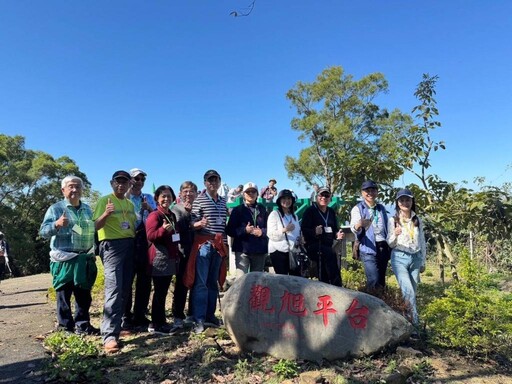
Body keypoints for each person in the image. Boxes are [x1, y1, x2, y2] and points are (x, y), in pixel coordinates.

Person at [39, 176, 99, 335]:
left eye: (78, 186)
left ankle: (83, 325)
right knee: (64, 293)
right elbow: (43, 232)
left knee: (84, 294)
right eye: (71, 186)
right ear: (63, 190)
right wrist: (56, 224)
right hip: (64, 259)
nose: (75, 190)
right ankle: (65, 327)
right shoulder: (55, 209)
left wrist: (92, 251)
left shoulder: (86, 208)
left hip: (84, 257)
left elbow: (88, 231)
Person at [93, 170, 137, 354]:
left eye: (124, 182)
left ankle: (118, 327)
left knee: (125, 287)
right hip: (111, 246)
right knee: (114, 288)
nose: (121, 185)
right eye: (118, 181)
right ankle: (109, 335)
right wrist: (105, 214)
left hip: (129, 244)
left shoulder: (129, 203)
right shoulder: (105, 201)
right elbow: (94, 226)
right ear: (112, 183)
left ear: (129, 184)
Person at [183, 169, 228, 334]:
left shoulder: (223, 201)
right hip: (204, 245)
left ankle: (210, 316)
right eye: (210, 180)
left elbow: (223, 225)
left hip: (219, 245)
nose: (213, 183)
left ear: (219, 182)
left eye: (215, 180)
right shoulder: (199, 200)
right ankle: (199, 319)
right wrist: (198, 224)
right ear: (205, 183)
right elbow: (191, 224)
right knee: (200, 283)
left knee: (212, 283)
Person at [122, 168, 156, 330]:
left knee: (144, 280)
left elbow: (158, 216)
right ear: (130, 180)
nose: (140, 182)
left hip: (145, 241)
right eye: (136, 179)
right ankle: (125, 315)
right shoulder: (123, 197)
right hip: (128, 240)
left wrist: (148, 208)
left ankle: (140, 314)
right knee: (127, 280)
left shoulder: (148, 197)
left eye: (142, 179)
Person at [387, 189, 426, 327]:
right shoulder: (393, 220)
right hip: (399, 258)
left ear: (412, 201)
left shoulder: (417, 219)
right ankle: (415, 326)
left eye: (408, 200)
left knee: (412, 293)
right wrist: (395, 234)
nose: (405, 203)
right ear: (397, 203)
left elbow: (422, 241)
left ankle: (405, 321)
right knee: (408, 291)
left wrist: (423, 261)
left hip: (415, 258)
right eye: (402, 200)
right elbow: (390, 243)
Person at [145, 185, 181, 334]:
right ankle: (156, 324)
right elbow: (150, 235)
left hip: (170, 258)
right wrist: (162, 230)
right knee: (159, 292)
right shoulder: (155, 215)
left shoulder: (171, 214)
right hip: (159, 259)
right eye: (163, 196)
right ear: (157, 199)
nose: (166, 199)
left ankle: (161, 321)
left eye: (169, 196)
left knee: (164, 291)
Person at [350, 180, 390, 292]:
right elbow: (353, 228)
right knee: (373, 278)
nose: (370, 193)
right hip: (367, 247)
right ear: (362, 193)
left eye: (373, 190)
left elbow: (386, 226)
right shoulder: (358, 208)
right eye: (367, 190)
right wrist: (359, 224)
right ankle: (371, 305)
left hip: (383, 246)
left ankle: (381, 304)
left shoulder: (381, 208)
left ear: (377, 192)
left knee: (381, 279)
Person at [169, 181, 198, 334]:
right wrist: (187, 214)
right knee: (181, 284)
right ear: (180, 194)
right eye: (185, 191)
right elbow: (177, 229)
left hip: (197, 250)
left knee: (196, 282)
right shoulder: (175, 209)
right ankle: (178, 316)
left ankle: (192, 313)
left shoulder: (198, 208)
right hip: (182, 252)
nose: (188, 194)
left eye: (192, 191)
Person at [301, 187, 344, 286]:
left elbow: (334, 228)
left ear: (330, 198)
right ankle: (336, 284)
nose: (324, 198)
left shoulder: (331, 211)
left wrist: (337, 234)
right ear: (317, 197)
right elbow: (303, 229)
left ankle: (328, 285)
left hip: (328, 245)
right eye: (321, 195)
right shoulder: (310, 211)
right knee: (330, 254)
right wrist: (314, 232)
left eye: (326, 196)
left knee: (329, 256)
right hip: (314, 245)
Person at [226, 182, 268, 278]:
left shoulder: (262, 209)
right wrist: (244, 230)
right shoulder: (237, 210)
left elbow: (270, 229)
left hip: (259, 250)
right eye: (248, 192)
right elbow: (229, 230)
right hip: (242, 251)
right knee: (241, 280)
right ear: (243, 194)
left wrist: (262, 232)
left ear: (257, 194)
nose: (251, 194)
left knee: (257, 282)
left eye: (253, 191)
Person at [267, 189, 302, 276]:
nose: (287, 201)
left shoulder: (295, 216)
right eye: (284, 199)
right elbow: (270, 234)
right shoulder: (274, 214)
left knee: (295, 278)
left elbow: (298, 231)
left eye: (289, 199)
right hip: (279, 252)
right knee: (282, 280)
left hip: (293, 251)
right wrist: (284, 230)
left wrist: (301, 238)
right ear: (279, 201)